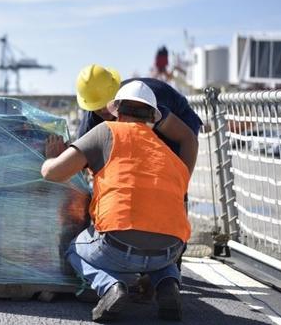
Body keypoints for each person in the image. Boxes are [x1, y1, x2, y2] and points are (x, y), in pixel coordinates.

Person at [42, 81, 191, 322]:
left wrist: (51, 157)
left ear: (116, 110)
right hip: (170, 251)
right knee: (158, 245)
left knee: (73, 249)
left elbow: (53, 174)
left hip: (118, 246)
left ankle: (110, 286)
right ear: (152, 117)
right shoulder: (168, 153)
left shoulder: (106, 131)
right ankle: (168, 283)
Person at [76, 64, 201, 175]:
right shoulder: (89, 125)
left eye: (107, 103)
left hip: (179, 117)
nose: (104, 110)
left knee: (164, 173)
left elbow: (188, 139)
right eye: (98, 107)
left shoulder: (140, 106)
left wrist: (182, 192)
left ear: (116, 93)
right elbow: (80, 166)